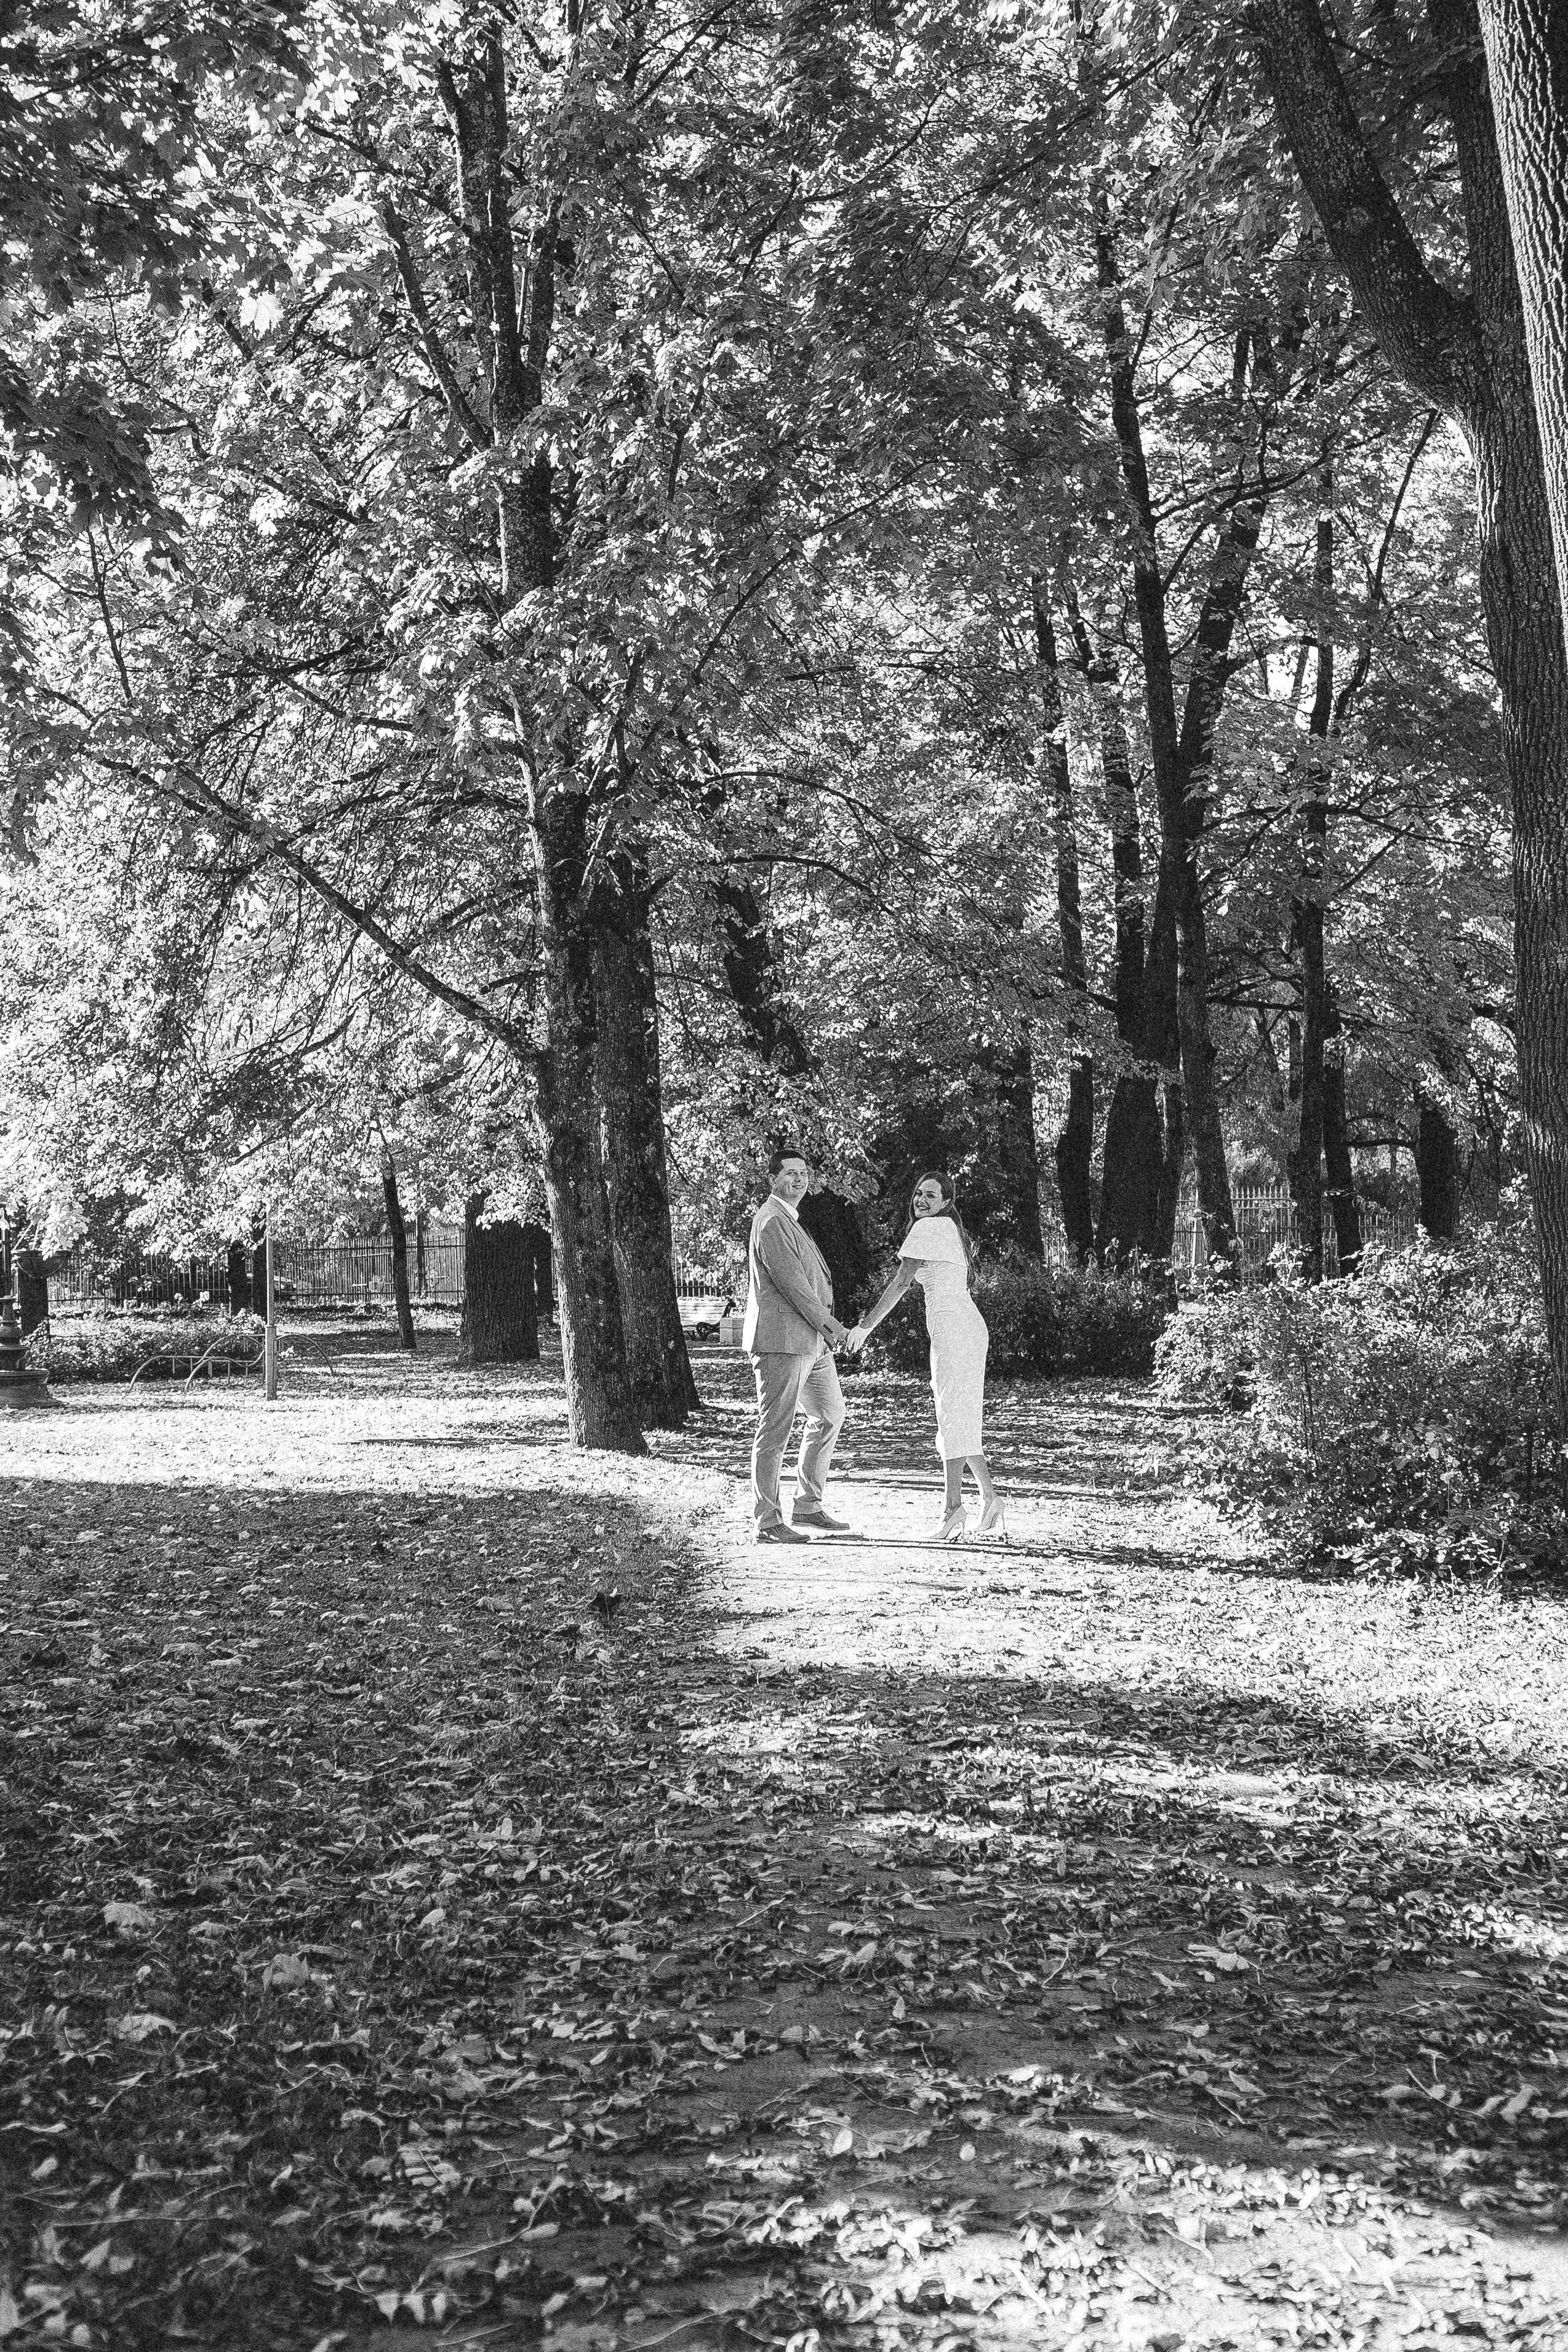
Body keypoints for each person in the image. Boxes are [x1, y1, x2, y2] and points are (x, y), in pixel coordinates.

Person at [846, 1172, 1005, 1543]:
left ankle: (953, 1508)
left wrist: (864, 1328)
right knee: (961, 1415)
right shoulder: (949, 1228)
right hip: (966, 1327)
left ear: (946, 1202)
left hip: (954, 1329)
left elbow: (901, 1282)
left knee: (952, 1414)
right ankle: (990, 1498)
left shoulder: (931, 1227)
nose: (921, 1200)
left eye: (931, 1195)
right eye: (919, 1193)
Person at [742, 1144, 851, 1544]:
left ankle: (807, 1505)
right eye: (791, 1173)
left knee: (829, 1414)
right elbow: (797, 1289)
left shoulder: (790, 1218)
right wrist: (835, 1329)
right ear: (773, 1179)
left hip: (811, 1343)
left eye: (804, 1173)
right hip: (783, 1341)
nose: (799, 1179)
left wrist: (825, 1334)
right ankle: (767, 1522)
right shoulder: (771, 1221)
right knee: (775, 1430)